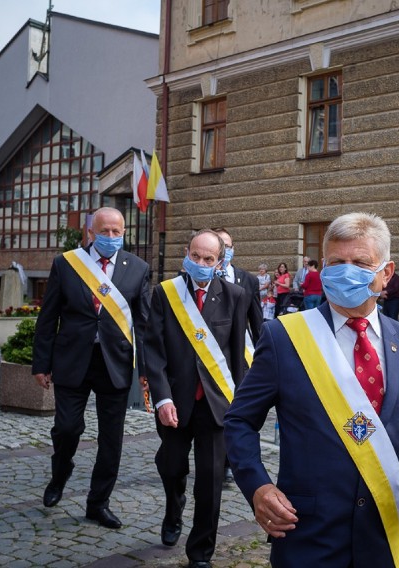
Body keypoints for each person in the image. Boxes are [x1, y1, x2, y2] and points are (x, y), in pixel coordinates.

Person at [224, 212, 399, 568]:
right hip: (305, 533)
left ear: (386, 273)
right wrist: (258, 486)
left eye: (360, 262)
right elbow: (239, 421)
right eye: (336, 262)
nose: (345, 270)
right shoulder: (284, 337)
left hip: (383, 533)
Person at [32, 207, 150, 529]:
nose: (111, 237)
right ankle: (60, 473)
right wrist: (40, 363)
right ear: (90, 233)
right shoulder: (66, 264)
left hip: (115, 363)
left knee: (112, 440)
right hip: (72, 360)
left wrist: (147, 371)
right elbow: (48, 318)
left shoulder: (138, 269)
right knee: (67, 429)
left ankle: (98, 503)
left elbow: (143, 325)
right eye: (105, 231)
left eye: (117, 232)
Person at [144, 229, 248, 568]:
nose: (201, 263)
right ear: (185, 255)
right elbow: (154, 349)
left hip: (217, 405)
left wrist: (241, 405)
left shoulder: (235, 295)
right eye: (196, 256)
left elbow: (236, 356)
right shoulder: (165, 294)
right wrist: (162, 398)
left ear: (218, 263)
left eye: (208, 259)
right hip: (176, 402)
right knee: (172, 467)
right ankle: (173, 510)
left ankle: (200, 551)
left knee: (211, 480)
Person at [214, 228, 264, 345]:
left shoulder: (250, 280)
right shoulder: (203, 279)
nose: (223, 250)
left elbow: (256, 321)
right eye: (219, 245)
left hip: (241, 344)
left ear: (233, 248)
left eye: (227, 246)